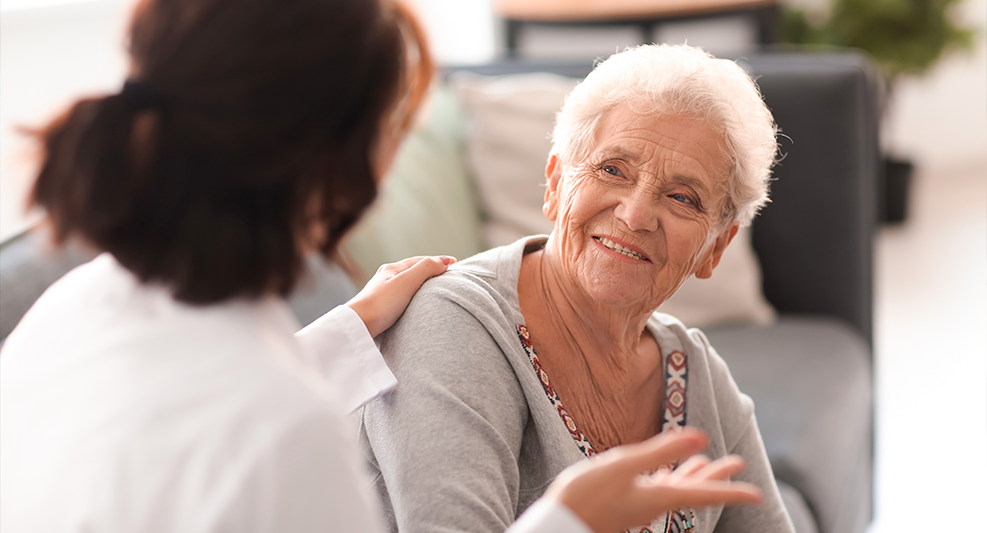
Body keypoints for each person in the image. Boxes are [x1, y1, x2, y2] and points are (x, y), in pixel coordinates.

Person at [0, 1, 764, 532]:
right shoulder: (284, 424)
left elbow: (184, 426)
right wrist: (570, 520)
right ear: (346, 161)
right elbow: (235, 428)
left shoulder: (73, 309)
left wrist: (345, 334)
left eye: (682, 197)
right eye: (395, 120)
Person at [358, 43, 797, 533]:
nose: (635, 214)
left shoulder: (697, 376)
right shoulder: (454, 324)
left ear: (716, 247)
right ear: (555, 184)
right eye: (613, 170)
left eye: (682, 197)